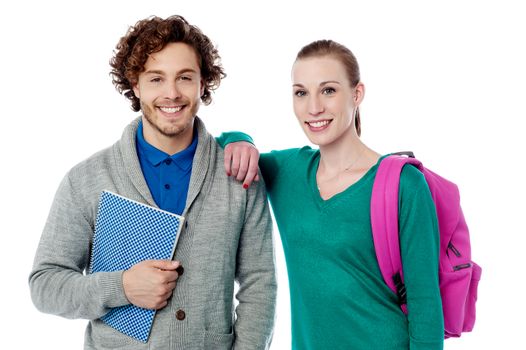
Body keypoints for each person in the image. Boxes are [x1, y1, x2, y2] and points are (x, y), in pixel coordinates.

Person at [29, 15, 276, 350]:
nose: (171, 94)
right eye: (156, 79)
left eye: (185, 78)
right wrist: (123, 287)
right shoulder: (86, 179)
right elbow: (45, 285)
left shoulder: (238, 175)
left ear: (203, 84)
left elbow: (260, 285)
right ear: (136, 85)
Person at [223, 40, 444, 349]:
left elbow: (426, 309)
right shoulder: (288, 172)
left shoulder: (404, 184)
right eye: (301, 92)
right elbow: (224, 148)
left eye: (328, 90)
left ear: (357, 94)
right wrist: (241, 138)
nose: (314, 107)